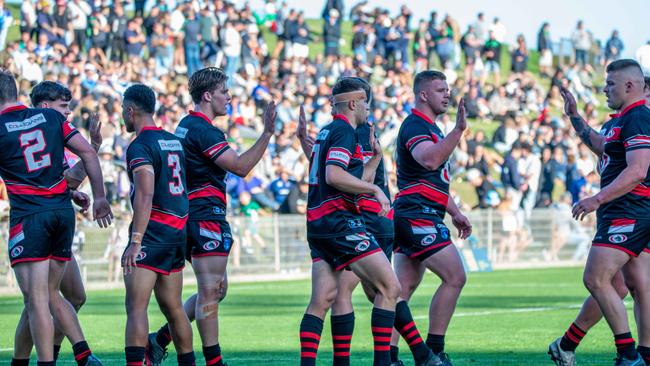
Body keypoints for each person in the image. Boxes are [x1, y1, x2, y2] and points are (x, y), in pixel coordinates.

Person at [297, 76, 438, 366]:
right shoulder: (345, 131)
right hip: (342, 224)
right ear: (352, 103)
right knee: (389, 288)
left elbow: (345, 176)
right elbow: (334, 176)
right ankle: (387, 361)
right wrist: (374, 189)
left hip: (319, 227)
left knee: (323, 298)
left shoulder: (325, 132)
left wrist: (372, 163)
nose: (368, 108)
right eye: (364, 102)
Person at [147, 67, 276, 366]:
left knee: (217, 289)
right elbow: (241, 167)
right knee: (210, 289)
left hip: (191, 214)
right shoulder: (204, 130)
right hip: (205, 215)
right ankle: (213, 361)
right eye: (223, 92)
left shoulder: (185, 125)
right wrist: (267, 133)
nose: (228, 97)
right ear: (207, 95)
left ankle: (160, 339)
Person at [0, 70, 112, 366]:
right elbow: (85, 154)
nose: (68, 110)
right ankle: (69, 354)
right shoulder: (51, 121)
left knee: (38, 300)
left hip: (30, 217)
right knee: (45, 296)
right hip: (62, 214)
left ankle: (62, 358)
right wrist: (99, 197)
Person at [549, 70, 650, 366]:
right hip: (629, 209)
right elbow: (602, 146)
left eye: (610, 84)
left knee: (596, 278)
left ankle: (629, 355)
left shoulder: (637, 117)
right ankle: (642, 354)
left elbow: (638, 169)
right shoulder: (621, 120)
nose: (604, 89)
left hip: (627, 209)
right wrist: (575, 118)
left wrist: (597, 198)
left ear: (631, 87)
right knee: (635, 285)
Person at [391, 70, 473, 366]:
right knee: (455, 276)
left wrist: (455, 212)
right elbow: (429, 159)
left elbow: (433, 181)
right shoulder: (415, 125)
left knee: (400, 290)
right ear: (423, 95)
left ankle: (389, 356)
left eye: (447, 89)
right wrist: (458, 130)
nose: (447, 94)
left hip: (419, 212)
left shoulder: (434, 130)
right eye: (440, 90)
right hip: (417, 214)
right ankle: (434, 350)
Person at [120, 84, 195, 366]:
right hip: (177, 233)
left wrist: (136, 239)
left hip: (152, 233)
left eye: (123, 112)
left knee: (136, 308)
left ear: (131, 110)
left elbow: (145, 193)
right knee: (174, 308)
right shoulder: (173, 141)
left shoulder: (140, 145)